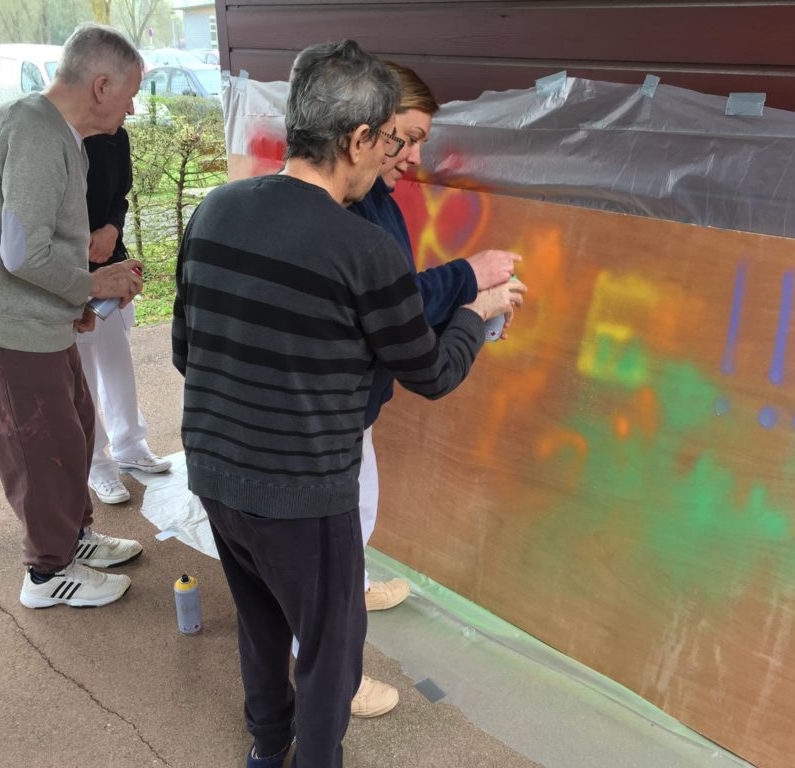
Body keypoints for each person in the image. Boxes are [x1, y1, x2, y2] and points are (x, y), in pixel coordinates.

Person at [172, 40, 521, 768]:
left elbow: (185, 350)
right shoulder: (362, 249)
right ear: (359, 138)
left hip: (214, 473)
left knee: (262, 624)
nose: (395, 156)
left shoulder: (215, 210)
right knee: (332, 651)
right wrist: (475, 313)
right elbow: (430, 373)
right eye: (390, 141)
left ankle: (268, 748)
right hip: (306, 494)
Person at [0, 23, 146, 609]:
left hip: (31, 313)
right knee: (40, 446)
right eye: (130, 93)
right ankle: (47, 573)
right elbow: (22, 253)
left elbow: (38, 243)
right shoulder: (34, 133)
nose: (132, 108)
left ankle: (73, 538)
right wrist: (91, 285)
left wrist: (76, 302)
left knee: (72, 427)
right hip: (5, 323)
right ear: (101, 85)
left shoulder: (54, 130)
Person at [344, 62, 524, 717]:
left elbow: (400, 309)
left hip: (350, 406)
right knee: (325, 545)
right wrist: (470, 290)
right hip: (322, 422)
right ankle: (331, 671)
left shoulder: (376, 203)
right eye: (408, 138)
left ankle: (348, 589)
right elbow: (420, 350)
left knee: (357, 512)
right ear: (366, 132)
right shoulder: (345, 216)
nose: (416, 157)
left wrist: (469, 313)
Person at [79, 126, 172, 506]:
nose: (131, 110)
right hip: (70, 271)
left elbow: (120, 195)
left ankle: (129, 445)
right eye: (127, 98)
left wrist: (111, 230)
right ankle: (96, 463)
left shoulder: (116, 135)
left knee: (117, 361)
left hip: (111, 263)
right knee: (82, 374)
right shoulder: (60, 136)